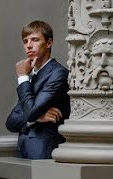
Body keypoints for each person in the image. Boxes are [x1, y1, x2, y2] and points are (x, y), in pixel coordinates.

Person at [5, 20, 70, 159]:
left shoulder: (58, 73)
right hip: (25, 153)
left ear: (48, 43)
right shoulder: (33, 76)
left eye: (34, 40)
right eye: (25, 41)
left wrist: (22, 77)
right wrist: (38, 117)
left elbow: (30, 113)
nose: (28, 45)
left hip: (44, 154)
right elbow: (10, 122)